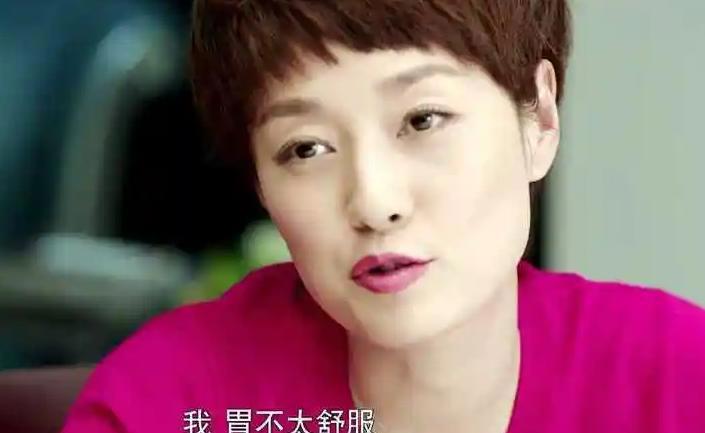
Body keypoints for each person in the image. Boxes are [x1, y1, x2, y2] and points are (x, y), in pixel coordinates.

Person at [61, 1, 705, 432]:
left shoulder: (677, 379)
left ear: (538, 118)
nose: (373, 202)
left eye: (423, 119)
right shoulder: (168, 404)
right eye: (305, 149)